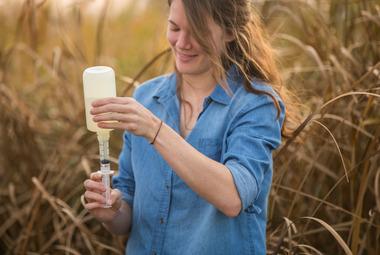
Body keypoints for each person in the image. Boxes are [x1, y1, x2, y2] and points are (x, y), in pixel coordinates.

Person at [83, 0, 297, 254]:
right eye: (174, 28)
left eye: (198, 32)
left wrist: (155, 130)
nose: (182, 43)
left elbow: (233, 198)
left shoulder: (257, 104)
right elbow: (127, 213)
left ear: (230, 31)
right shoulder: (146, 98)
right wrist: (113, 211)